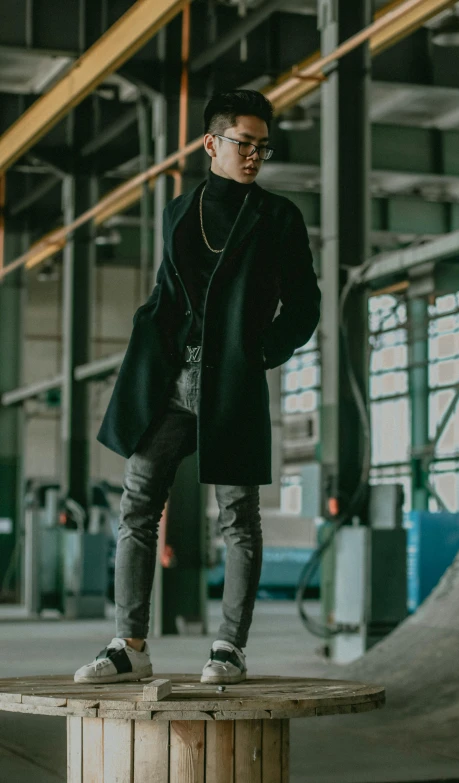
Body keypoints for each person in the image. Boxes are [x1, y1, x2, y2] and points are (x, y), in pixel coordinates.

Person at [74, 89, 321, 686]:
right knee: (137, 506)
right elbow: (168, 292)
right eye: (244, 143)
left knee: (238, 516)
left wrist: (261, 351)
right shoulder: (179, 212)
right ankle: (129, 643)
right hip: (168, 377)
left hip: (232, 380)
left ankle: (229, 648)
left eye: (264, 146)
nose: (255, 155)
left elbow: (305, 303)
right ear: (212, 143)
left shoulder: (278, 216)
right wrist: (147, 333)